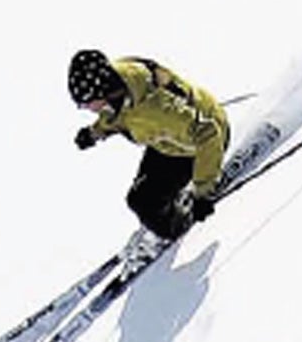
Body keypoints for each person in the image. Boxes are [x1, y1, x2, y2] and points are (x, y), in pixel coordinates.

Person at [67, 48, 229, 245]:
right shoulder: (121, 80)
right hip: (168, 140)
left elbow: (208, 134)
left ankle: (178, 225)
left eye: (86, 104)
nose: (87, 109)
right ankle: (167, 210)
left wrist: (203, 194)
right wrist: (95, 132)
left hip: (197, 146)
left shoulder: (155, 110)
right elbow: (117, 115)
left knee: (143, 202)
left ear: (103, 93)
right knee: (142, 196)